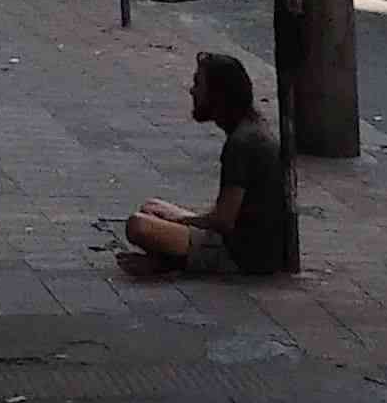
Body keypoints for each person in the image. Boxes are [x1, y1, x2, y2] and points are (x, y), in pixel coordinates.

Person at [122, 52, 289, 278]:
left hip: (241, 254)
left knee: (138, 226)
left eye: (198, 85)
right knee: (152, 207)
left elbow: (223, 221)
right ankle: (169, 258)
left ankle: (173, 261)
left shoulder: (241, 143)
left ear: (218, 95)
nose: (192, 91)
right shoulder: (251, 129)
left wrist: (181, 220)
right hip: (251, 243)